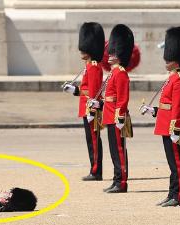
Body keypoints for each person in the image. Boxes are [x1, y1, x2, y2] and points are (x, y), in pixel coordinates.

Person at [141, 27, 180, 207]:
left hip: (172, 127)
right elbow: (166, 105)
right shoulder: (171, 78)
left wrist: (176, 129)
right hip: (165, 124)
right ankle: (172, 194)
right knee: (172, 163)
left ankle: (179, 196)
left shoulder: (179, 80)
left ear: (176, 60)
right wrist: (152, 110)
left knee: (177, 163)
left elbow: (178, 107)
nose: (165, 59)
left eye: (169, 57)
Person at [94, 24, 134, 193]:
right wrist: (99, 104)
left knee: (119, 152)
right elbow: (110, 98)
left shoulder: (121, 73)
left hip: (117, 118)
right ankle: (116, 179)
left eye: (113, 52)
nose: (109, 54)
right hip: (109, 116)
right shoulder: (113, 73)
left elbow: (122, 99)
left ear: (120, 55)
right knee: (114, 152)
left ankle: (121, 182)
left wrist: (119, 118)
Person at [63, 22, 105, 181]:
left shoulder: (94, 66)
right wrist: (74, 90)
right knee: (90, 140)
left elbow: (94, 92)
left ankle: (96, 171)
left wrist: (91, 111)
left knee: (93, 140)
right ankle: (94, 169)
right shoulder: (88, 66)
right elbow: (86, 90)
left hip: (90, 109)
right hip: (86, 107)